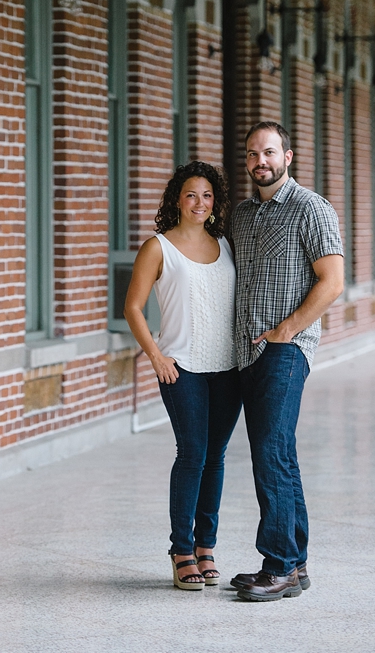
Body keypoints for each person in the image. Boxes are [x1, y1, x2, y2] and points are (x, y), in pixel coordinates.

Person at [227, 121, 343, 602]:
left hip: (286, 350)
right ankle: (295, 565)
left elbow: (332, 281)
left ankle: (275, 566)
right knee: (280, 454)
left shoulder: (311, 208)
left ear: (288, 156)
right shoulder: (241, 214)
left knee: (270, 453)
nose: (261, 161)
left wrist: (289, 329)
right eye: (253, 153)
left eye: (269, 152)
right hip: (246, 351)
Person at [124, 161, 240, 591]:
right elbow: (132, 307)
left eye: (207, 195)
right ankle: (181, 549)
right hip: (181, 366)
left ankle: (206, 546)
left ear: (215, 202)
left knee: (216, 457)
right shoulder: (158, 247)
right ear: (177, 198)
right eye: (191, 194)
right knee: (192, 453)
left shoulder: (226, 244)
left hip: (227, 367)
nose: (199, 202)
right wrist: (154, 356)